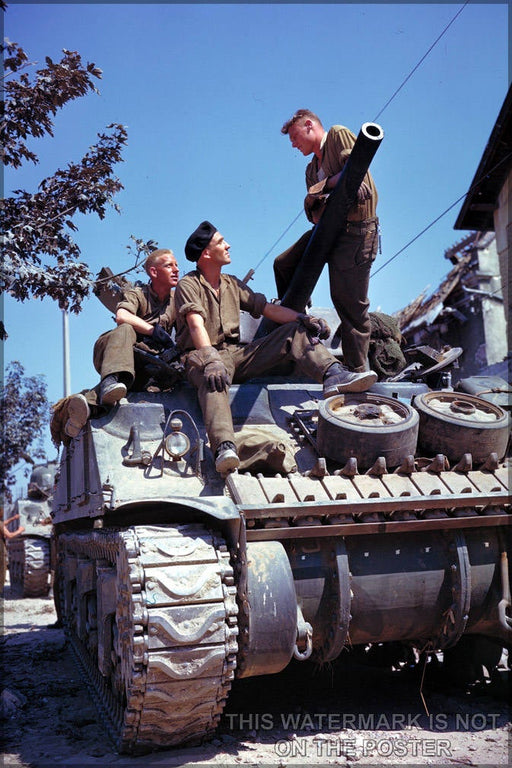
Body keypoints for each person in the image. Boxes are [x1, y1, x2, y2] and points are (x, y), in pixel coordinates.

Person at [174, 221, 377, 475]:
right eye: (220, 242)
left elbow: (267, 309)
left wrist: (301, 319)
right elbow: (195, 324)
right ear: (206, 253)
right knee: (213, 378)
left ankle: (333, 374)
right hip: (201, 356)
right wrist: (210, 358)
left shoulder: (231, 284)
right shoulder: (188, 285)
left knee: (292, 332)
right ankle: (224, 446)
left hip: (235, 354)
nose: (228, 245)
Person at [274, 109, 379, 374]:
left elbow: (354, 174)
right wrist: (326, 188)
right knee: (283, 263)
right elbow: (313, 212)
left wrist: (322, 191)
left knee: (349, 304)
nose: (294, 145)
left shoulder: (336, 135)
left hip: (355, 233)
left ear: (309, 125)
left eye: (295, 138)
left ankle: (357, 372)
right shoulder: (311, 170)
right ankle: (299, 320)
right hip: (327, 232)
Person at [59, 248, 180, 439]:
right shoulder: (138, 294)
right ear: (153, 272)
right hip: (115, 350)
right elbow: (122, 316)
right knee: (126, 329)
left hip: (143, 365)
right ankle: (109, 381)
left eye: (177, 265)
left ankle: (83, 409)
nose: (176, 270)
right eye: (169, 265)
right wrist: (153, 331)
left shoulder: (177, 301)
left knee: (129, 392)